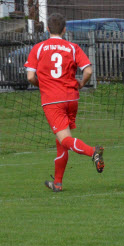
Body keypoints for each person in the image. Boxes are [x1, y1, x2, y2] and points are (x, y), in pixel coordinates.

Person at [24, 12, 104, 192]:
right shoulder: (73, 47)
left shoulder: (38, 48)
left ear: (47, 29)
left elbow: (30, 77)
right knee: (61, 141)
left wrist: (42, 85)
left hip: (53, 100)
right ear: (64, 30)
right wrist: (81, 84)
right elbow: (88, 71)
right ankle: (58, 183)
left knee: (65, 139)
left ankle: (93, 152)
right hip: (71, 98)